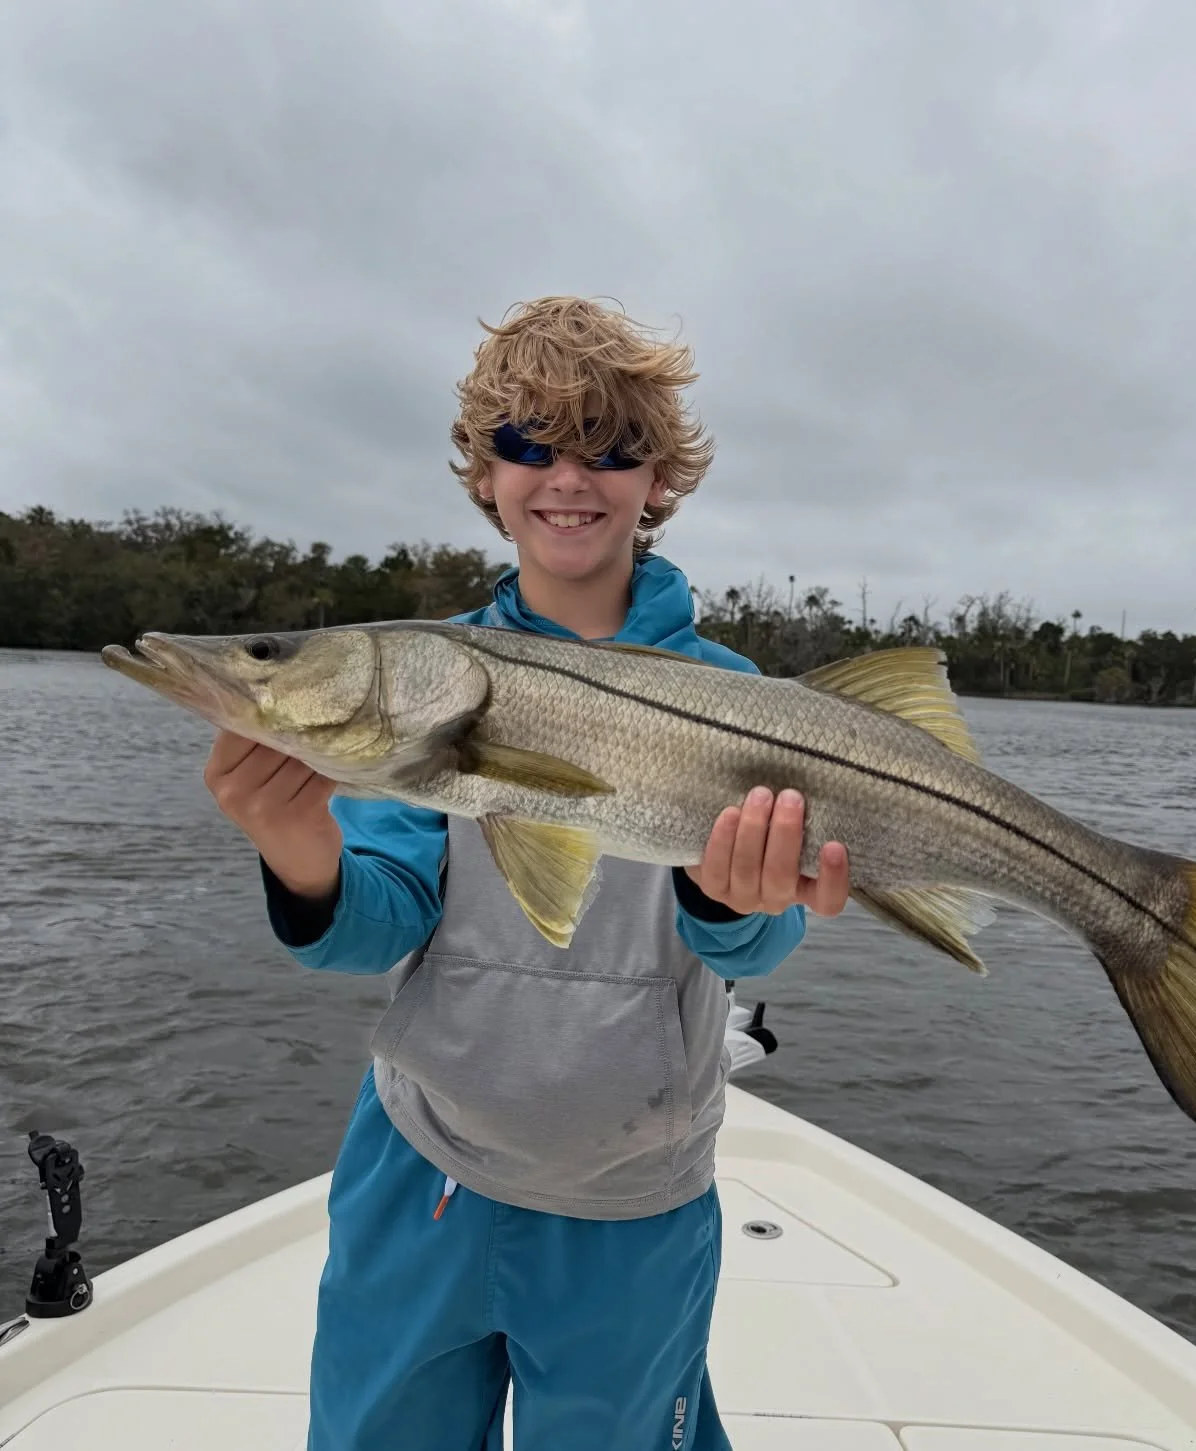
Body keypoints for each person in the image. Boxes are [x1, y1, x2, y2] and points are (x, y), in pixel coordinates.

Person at [201, 295, 850, 1451]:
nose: (569, 475)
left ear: (658, 480)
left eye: (611, 447)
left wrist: (730, 898)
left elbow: (754, 940)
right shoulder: (419, 678)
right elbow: (380, 917)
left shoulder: (741, 694)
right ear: (484, 473)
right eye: (528, 443)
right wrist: (301, 854)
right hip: (421, 1166)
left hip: (632, 1192)